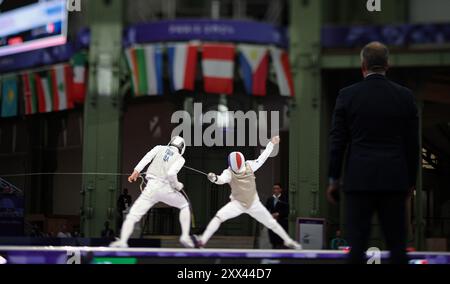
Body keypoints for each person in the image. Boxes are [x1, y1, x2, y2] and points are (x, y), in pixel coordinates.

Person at [327, 42, 419, 264]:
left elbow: (338, 141)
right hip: (394, 180)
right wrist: (410, 182)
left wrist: (333, 179)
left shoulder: (347, 95)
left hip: (359, 180)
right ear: (388, 65)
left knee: (357, 246)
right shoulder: (405, 96)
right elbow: (412, 144)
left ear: (363, 65)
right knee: (397, 247)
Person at [196, 136, 301, 249]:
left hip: (252, 204)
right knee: (271, 223)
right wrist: (271, 143)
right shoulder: (246, 166)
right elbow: (263, 157)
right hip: (238, 204)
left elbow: (220, 180)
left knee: (219, 218)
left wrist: (214, 178)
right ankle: (202, 240)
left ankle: (288, 241)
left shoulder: (232, 171)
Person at [110, 136, 194, 248]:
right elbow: (171, 174)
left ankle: (123, 241)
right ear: (182, 148)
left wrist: (136, 171)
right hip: (165, 188)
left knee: (133, 215)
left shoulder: (159, 148)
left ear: (170, 143)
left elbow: (147, 158)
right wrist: (177, 185)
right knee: (184, 205)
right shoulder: (180, 158)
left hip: (151, 188)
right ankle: (184, 236)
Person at [265, 183, 289, 249]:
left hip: (281, 221)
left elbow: (287, 210)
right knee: (273, 238)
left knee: (280, 239)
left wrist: (278, 214)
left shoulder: (284, 199)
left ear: (280, 190)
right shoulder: (270, 199)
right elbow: (266, 209)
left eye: (277, 188)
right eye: (274, 188)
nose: (275, 190)